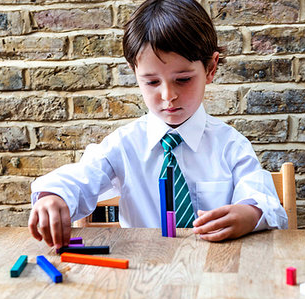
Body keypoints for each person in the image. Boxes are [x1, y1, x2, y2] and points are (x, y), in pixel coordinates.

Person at [29, 0, 288, 249]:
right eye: (152, 82)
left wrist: (250, 213)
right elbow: (82, 176)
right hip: (144, 271)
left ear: (210, 68)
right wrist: (53, 196)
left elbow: (261, 195)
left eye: (183, 79)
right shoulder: (124, 144)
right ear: (135, 74)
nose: (168, 96)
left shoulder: (230, 145)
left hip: (215, 269)